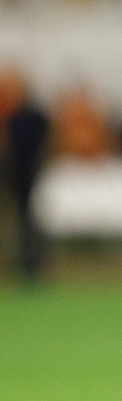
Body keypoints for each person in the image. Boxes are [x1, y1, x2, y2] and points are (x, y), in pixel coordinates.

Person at [0, 66, 50, 282]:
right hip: (8, 173)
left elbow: (44, 144)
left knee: (28, 222)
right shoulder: (8, 115)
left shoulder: (33, 116)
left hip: (27, 175)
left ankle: (30, 266)